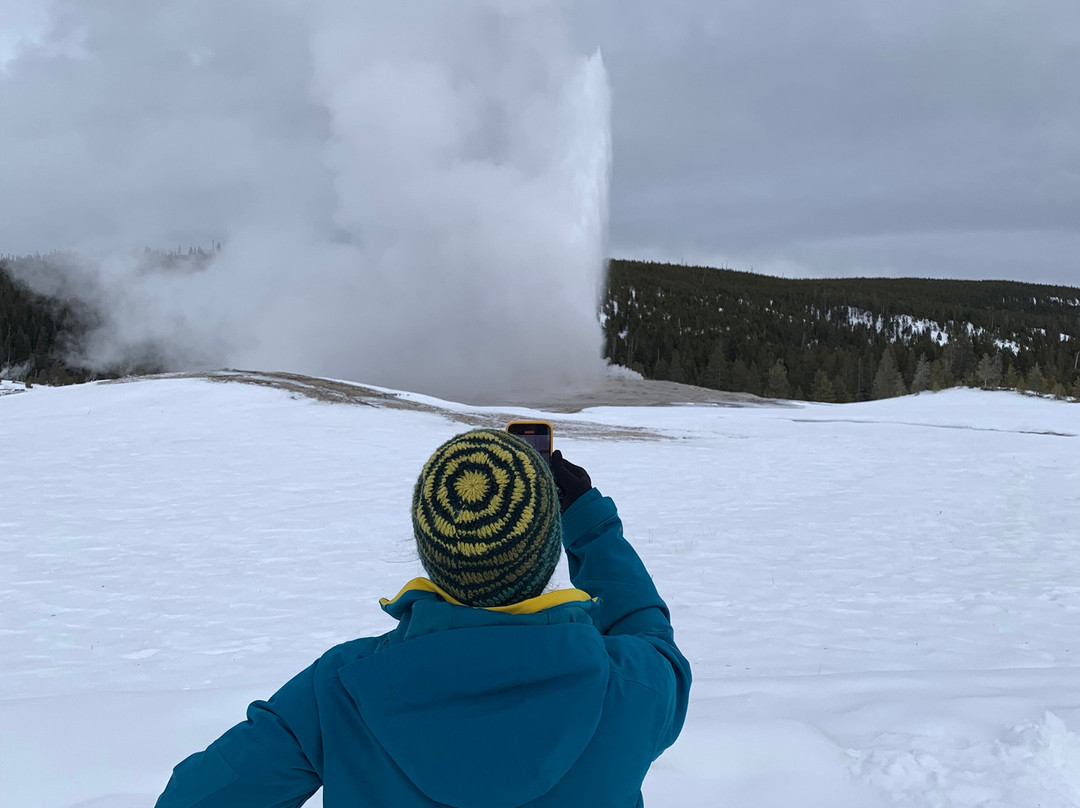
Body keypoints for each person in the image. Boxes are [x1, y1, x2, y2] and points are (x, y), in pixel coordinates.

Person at [156, 428, 691, 807]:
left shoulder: (341, 687)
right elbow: (649, 631)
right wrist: (592, 527)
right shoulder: (633, 685)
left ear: (431, 551)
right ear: (547, 549)